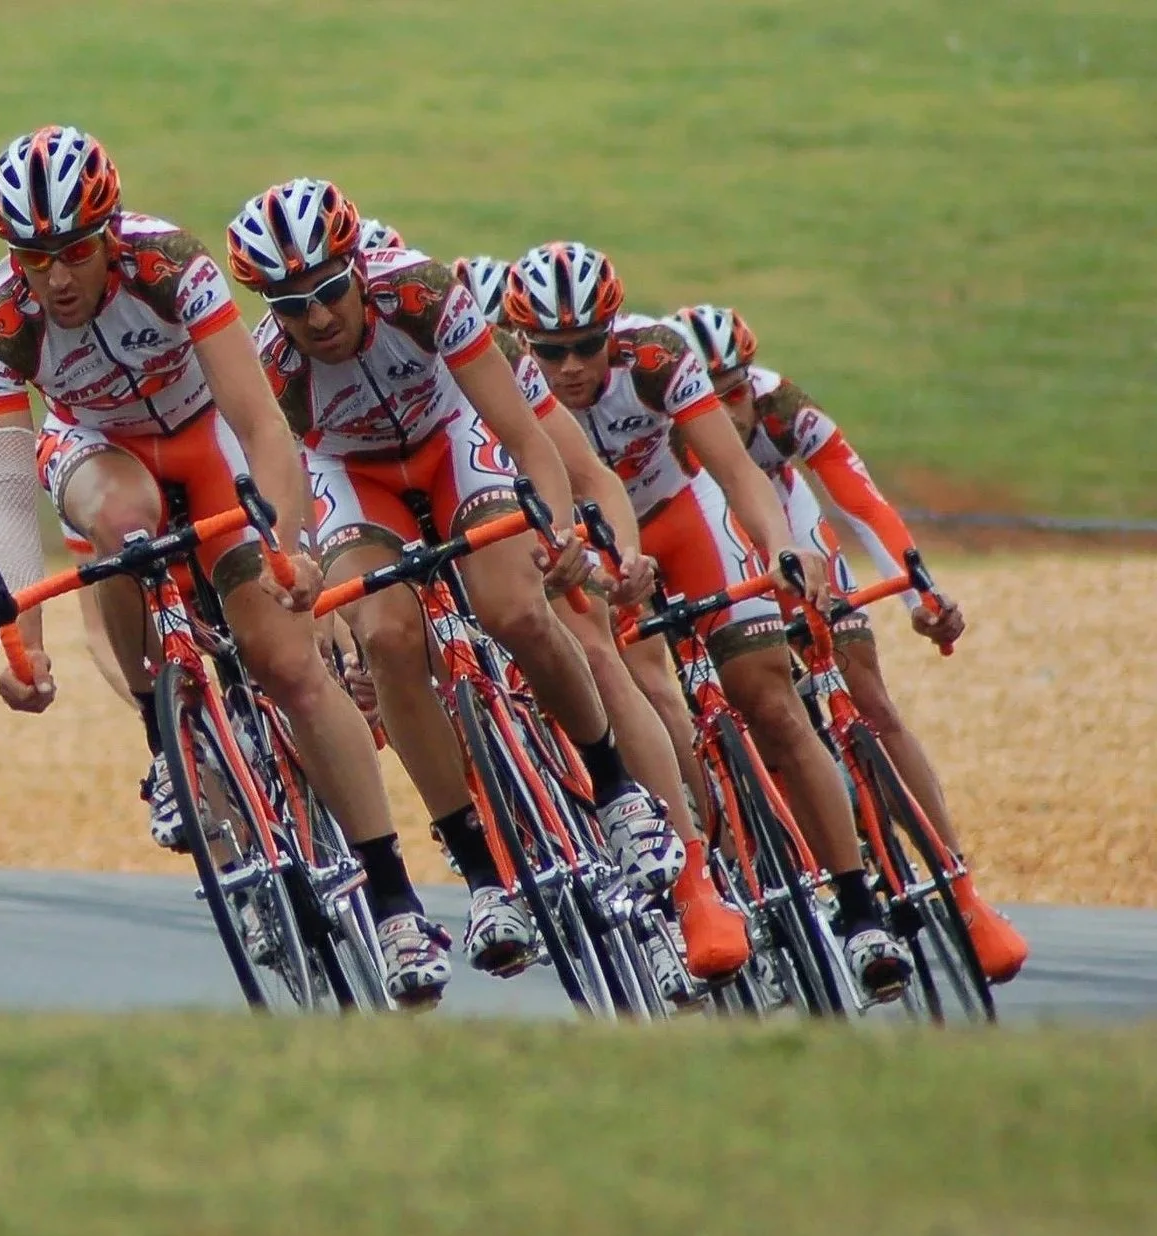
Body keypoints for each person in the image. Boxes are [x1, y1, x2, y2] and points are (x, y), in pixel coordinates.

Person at [0, 127, 450, 1006]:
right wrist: (19, 641)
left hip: (203, 434)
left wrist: (288, 551)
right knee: (122, 521)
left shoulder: (170, 266)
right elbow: (3, 496)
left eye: (74, 250)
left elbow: (264, 425)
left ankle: (395, 900)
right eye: (34, 258)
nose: (58, 277)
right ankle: (165, 735)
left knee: (291, 667)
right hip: (99, 446)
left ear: (109, 233)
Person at [225, 177, 709, 981]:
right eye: (289, 302)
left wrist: (554, 529)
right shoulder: (273, 364)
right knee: (385, 633)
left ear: (358, 269)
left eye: (329, 291)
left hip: (451, 441)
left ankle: (614, 786)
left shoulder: (421, 291)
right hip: (351, 472)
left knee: (514, 606)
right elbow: (283, 482)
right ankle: (482, 872)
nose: (314, 317)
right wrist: (294, 565)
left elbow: (522, 431)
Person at [505, 240, 914, 1001]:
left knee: (768, 700)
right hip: (586, 543)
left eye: (587, 345)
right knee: (634, 684)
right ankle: (700, 864)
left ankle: (858, 908)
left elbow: (734, 471)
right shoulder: (505, 381)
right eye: (551, 350)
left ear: (613, 330)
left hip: (683, 519)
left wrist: (783, 544)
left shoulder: (656, 358)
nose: (570, 367)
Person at [666, 303, 1029, 983]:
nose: (730, 411)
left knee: (867, 694)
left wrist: (919, 592)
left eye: (735, 390)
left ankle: (961, 890)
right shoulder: (657, 430)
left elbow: (859, 499)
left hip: (786, 530)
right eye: (710, 397)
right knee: (730, 700)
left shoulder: (780, 407)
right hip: (705, 539)